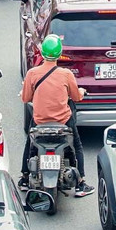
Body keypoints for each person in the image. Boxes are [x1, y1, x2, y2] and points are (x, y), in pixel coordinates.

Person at [19, 34, 92, 196]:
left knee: (29, 144)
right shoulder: (66, 74)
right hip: (63, 122)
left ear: (43, 53)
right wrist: (81, 91)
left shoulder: (32, 74)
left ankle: (24, 178)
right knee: (77, 146)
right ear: (59, 54)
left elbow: (25, 98)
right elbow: (76, 97)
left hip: (39, 121)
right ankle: (81, 183)